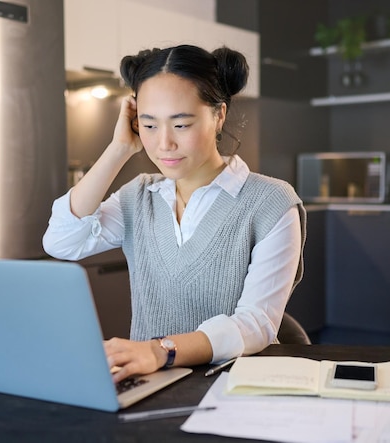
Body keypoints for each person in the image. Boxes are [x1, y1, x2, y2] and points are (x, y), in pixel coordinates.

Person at [43, 44, 306, 383]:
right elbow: (62, 241)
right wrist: (118, 149)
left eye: (181, 125)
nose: (164, 144)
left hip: (231, 387)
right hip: (145, 385)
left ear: (219, 115)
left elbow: (256, 324)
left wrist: (160, 351)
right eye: (149, 125)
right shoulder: (139, 196)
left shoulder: (271, 202)